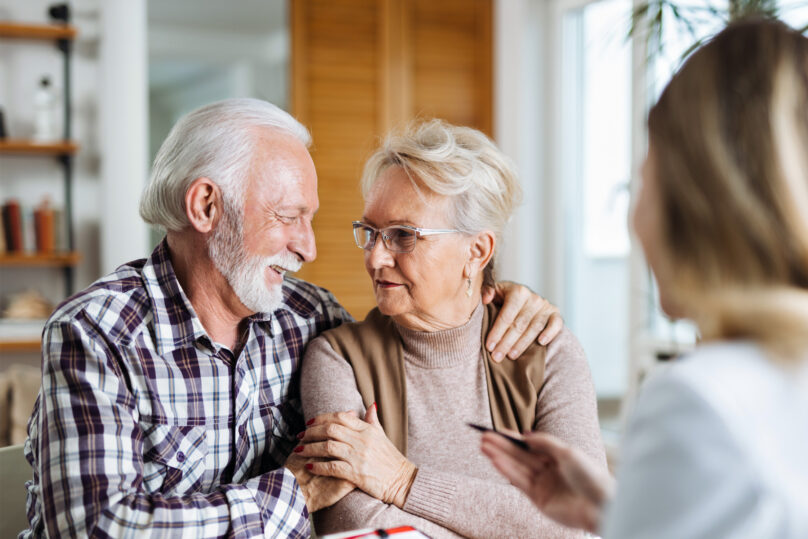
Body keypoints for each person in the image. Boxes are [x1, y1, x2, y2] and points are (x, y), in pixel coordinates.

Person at [19, 98, 562, 538]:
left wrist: (493, 297)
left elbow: (421, 332)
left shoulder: (311, 318)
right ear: (206, 206)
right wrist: (291, 494)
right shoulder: (96, 332)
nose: (307, 247)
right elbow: (97, 528)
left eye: (311, 219)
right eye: (288, 217)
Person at [481, 19, 808, 539]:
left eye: (643, 180)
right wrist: (615, 512)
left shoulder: (702, 402)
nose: (634, 218)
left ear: (694, 203)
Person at [296, 119, 607, 538]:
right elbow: (353, 523)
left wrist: (402, 481)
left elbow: (584, 519)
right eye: (370, 232)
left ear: (476, 251)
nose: (375, 258)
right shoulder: (338, 359)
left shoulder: (548, 351)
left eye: (403, 235)